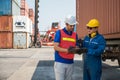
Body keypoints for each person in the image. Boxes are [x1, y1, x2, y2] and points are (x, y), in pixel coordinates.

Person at [53, 15, 79, 80]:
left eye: (74, 25)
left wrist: (78, 50)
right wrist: (67, 50)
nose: (72, 27)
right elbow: (56, 47)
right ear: (66, 24)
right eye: (71, 25)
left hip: (70, 62)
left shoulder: (75, 35)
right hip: (60, 62)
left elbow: (76, 46)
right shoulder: (59, 33)